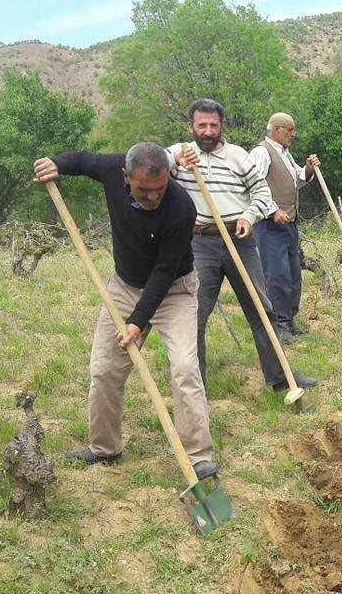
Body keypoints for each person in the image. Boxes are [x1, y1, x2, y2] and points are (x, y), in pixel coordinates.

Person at [32, 143, 218, 478]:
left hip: (174, 291)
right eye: (145, 190)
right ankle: (104, 448)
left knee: (185, 368)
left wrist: (137, 322)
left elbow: (163, 273)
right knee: (104, 368)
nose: (154, 197)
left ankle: (198, 456)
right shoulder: (111, 168)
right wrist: (54, 163)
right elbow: (84, 160)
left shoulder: (181, 208)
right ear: (125, 177)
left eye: (160, 188)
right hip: (124, 287)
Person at [166, 98, 319, 393]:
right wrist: (175, 161)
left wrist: (250, 216)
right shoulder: (180, 153)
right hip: (201, 243)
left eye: (214, 125)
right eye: (202, 125)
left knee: (263, 309)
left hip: (240, 239)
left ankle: (279, 377)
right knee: (195, 315)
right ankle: (194, 386)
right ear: (192, 127)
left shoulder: (239, 156)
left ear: (221, 126)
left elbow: (261, 192)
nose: (208, 131)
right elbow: (151, 164)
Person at [248, 112, 320, 345]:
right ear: (277, 130)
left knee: (292, 272)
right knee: (276, 274)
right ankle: (278, 324)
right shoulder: (261, 153)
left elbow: (298, 179)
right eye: (289, 131)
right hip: (270, 225)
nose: (293, 135)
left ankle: (289, 320)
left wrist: (308, 168)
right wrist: (271, 210)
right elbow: (254, 185)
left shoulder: (285, 154)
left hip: (289, 223)